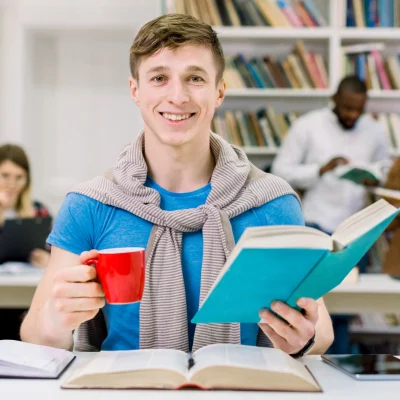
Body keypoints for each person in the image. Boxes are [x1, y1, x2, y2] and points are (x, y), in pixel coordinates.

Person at [21, 14, 333, 355]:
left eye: (195, 78)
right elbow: (37, 335)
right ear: (135, 91)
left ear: (219, 92)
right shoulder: (90, 204)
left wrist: (305, 337)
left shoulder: (272, 202)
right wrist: (57, 316)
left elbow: (322, 331)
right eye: (159, 78)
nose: (177, 96)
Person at [272, 76, 390, 354]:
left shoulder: (374, 131)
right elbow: (280, 171)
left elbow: (384, 168)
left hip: (356, 230)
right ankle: (313, 361)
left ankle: (340, 362)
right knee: (314, 304)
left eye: (357, 110)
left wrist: (376, 179)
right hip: (316, 226)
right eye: (347, 108)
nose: (352, 115)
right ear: (335, 99)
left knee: (347, 304)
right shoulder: (308, 126)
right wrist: (320, 170)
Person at [0, 144, 51, 340]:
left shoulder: (39, 211)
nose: (12, 183)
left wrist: (48, 259)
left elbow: (55, 249)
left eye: (19, 177)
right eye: (5, 176)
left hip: (28, 290)